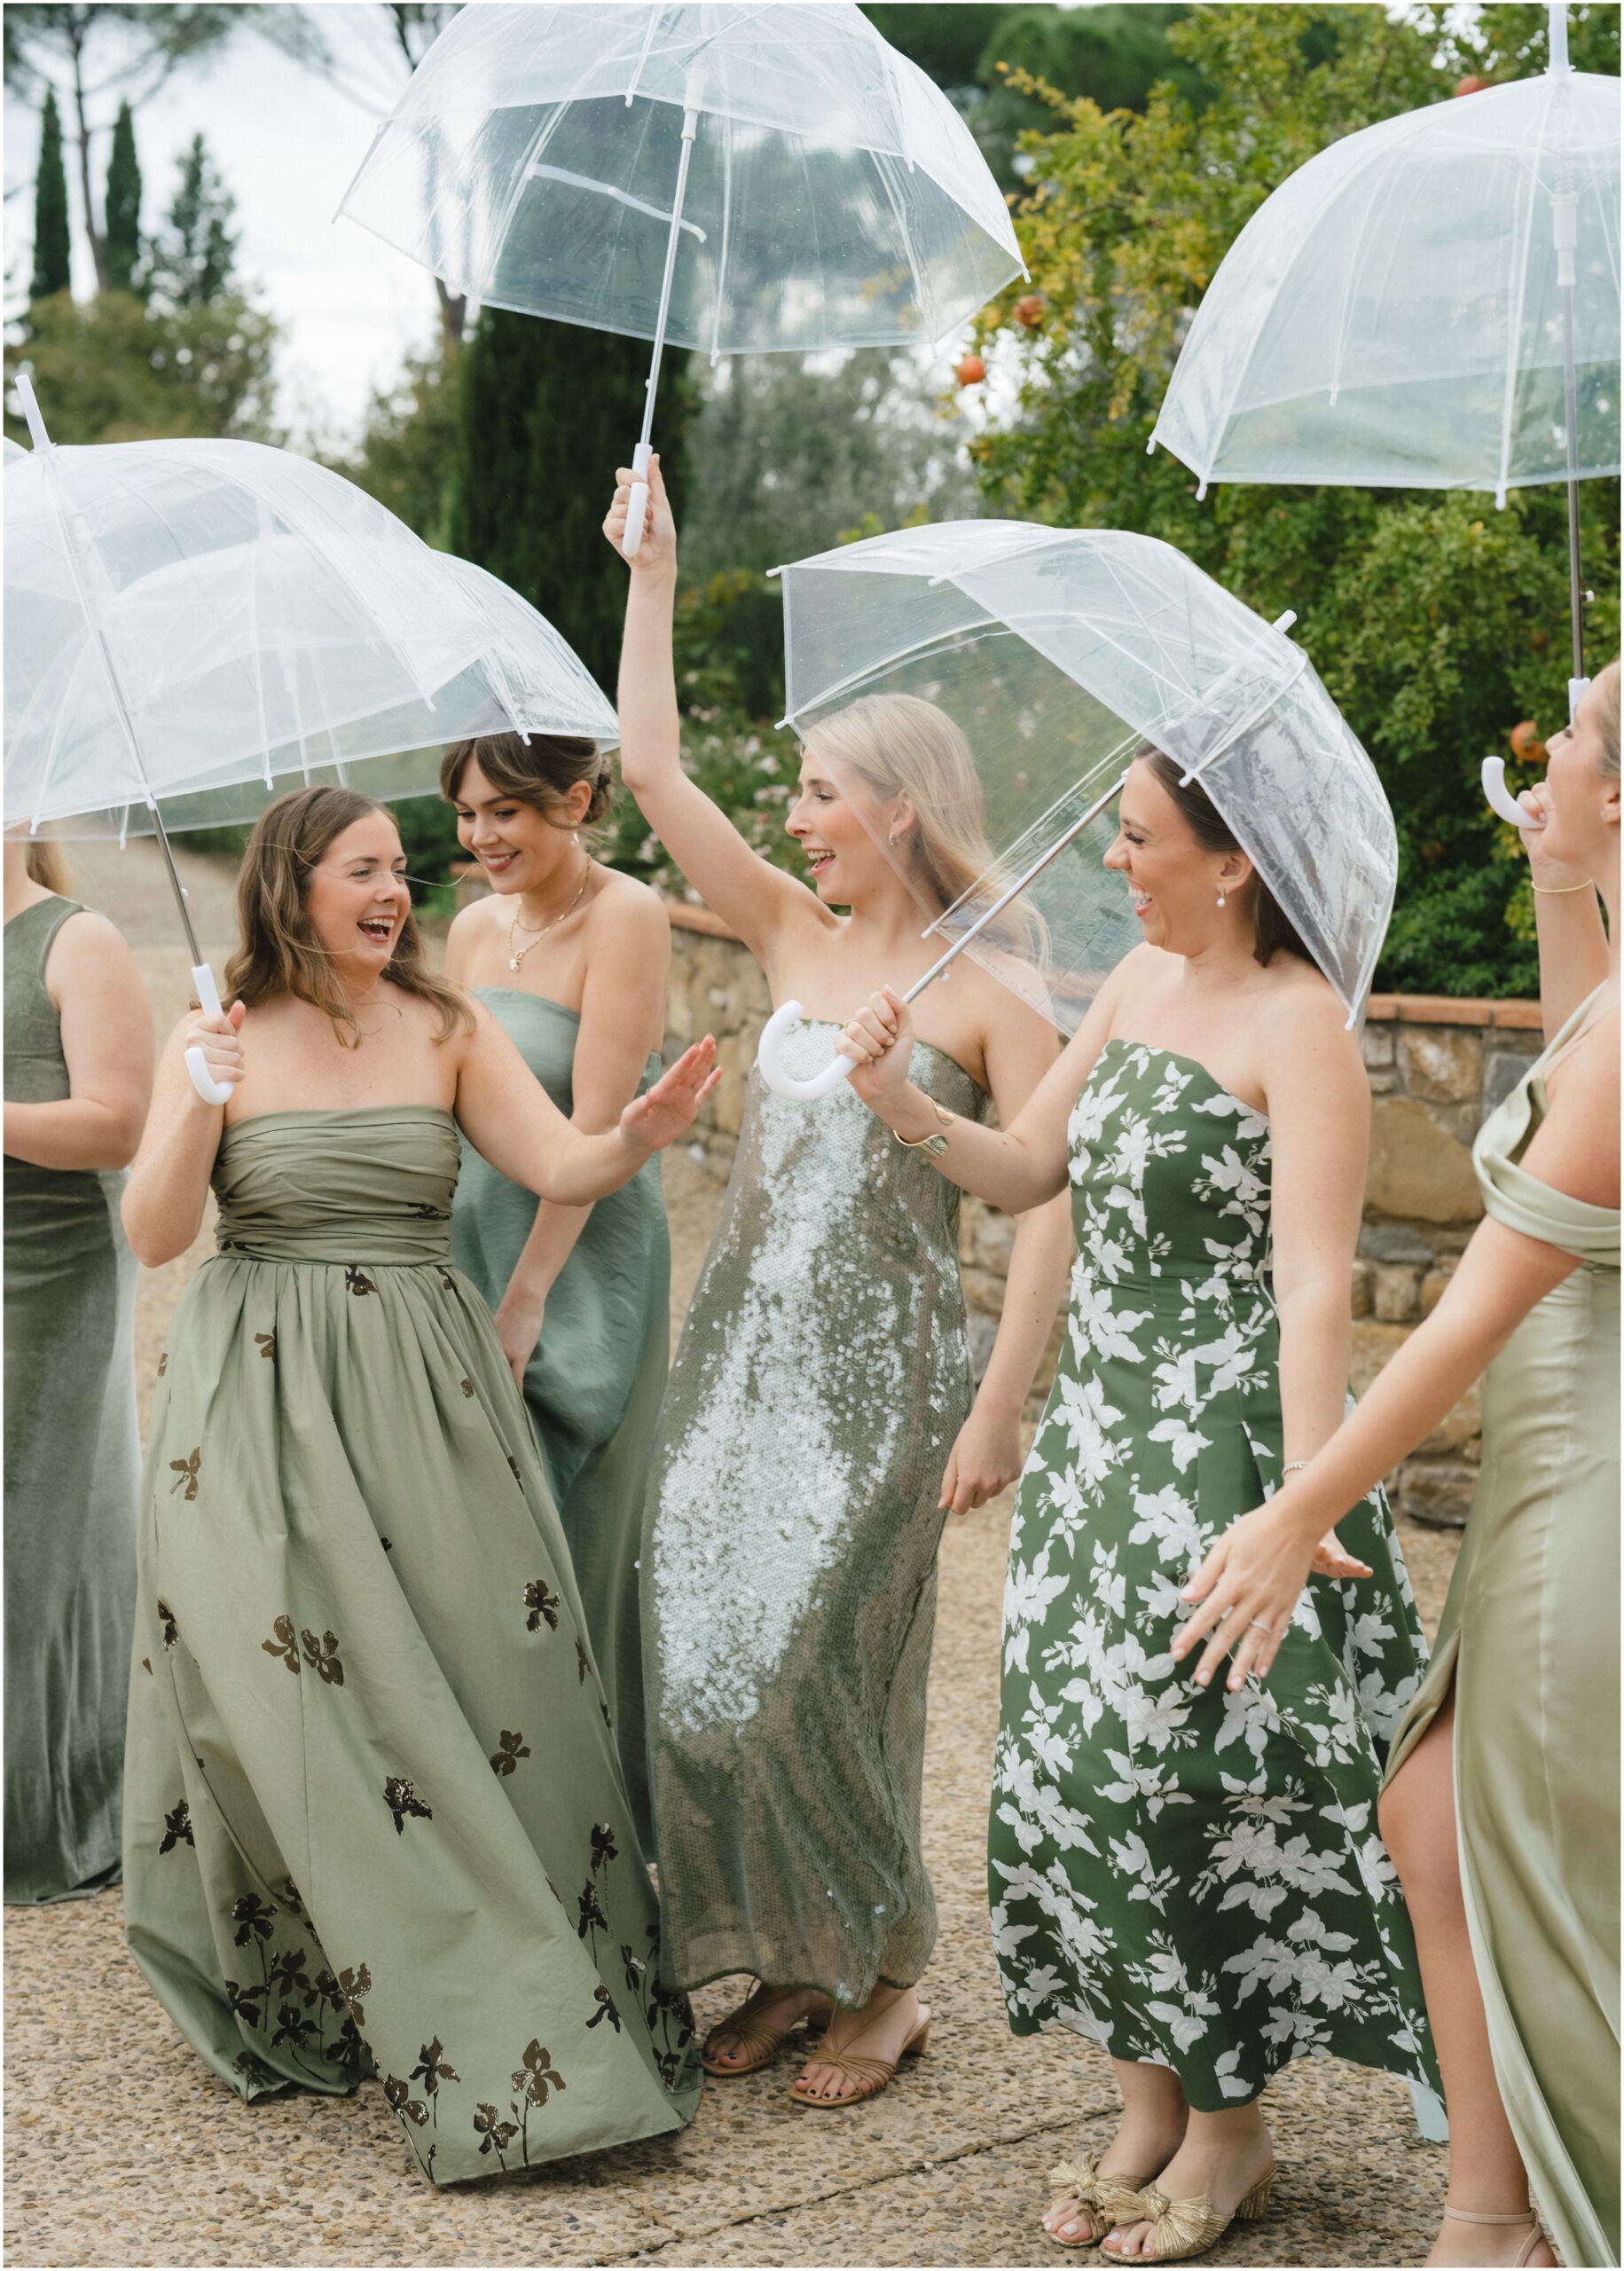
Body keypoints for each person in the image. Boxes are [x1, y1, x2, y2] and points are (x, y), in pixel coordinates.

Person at [838, 743, 1436, 2259]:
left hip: (1219, 1460)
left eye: (1140, 837)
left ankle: (1227, 2134)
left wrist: (1306, 1503)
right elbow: (1026, 1171)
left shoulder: (1300, 1026)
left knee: (1178, 1783)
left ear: (1234, 864)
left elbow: (1313, 1288)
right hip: (1097, 1455)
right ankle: (1143, 2101)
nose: (1113, 861)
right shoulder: (1128, 993)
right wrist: (894, 1092)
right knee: (1066, 1776)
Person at [120, 786, 718, 2185]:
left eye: (402, 871)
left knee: (477, 1668)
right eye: (364, 872)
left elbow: (559, 1159)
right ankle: (333, 1955)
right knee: (277, 1680)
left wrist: (638, 1132)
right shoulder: (213, 1032)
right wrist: (192, 1106)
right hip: (255, 1392)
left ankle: (508, 1964)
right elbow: (155, 1236)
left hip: (425, 1392)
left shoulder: (446, 1027)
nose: (395, 894)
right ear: (293, 884)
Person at [606, 459, 1074, 2107]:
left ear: (896, 808)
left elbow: (1045, 1207)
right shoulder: (794, 939)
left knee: (827, 1663)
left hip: (882, 1378)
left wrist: (999, 1402)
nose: (793, 819)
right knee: (700, 1652)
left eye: (816, 794)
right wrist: (654, 573)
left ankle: (884, 1979)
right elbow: (649, 770)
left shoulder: (998, 989)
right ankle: (793, 1958)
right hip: (736, 1356)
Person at [1173, 660, 1621, 2271]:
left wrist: (1298, 1508)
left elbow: (1455, 1325)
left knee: (1549, 1864)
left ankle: (1552, 2217)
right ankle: (1493, 2216)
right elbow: (1574, 1022)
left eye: (1570, 738)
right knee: (1434, 1810)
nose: (1539, 745)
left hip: (1591, 1497)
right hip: (1553, 1474)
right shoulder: (1618, 997)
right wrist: (1556, 865)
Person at [443, 732, 671, 1843]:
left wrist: (528, 1293)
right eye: (468, 815)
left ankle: (585, 1845)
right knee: (466, 1541)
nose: (481, 837)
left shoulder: (627, 917)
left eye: (506, 813)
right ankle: (485, 1837)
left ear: (577, 801)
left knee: (565, 1539)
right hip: (467, 1236)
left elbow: (595, 1126)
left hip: (578, 1254)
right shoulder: (471, 925)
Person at [4, 835, 153, 1904]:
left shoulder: (75, 939)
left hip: (46, 1279)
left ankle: (39, 1804)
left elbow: (117, 1125)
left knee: (33, 1529)